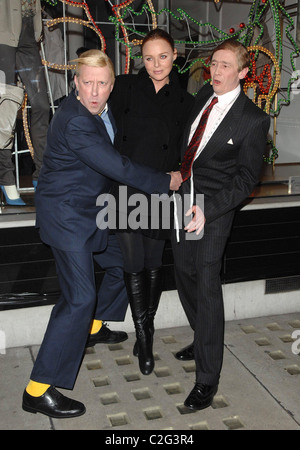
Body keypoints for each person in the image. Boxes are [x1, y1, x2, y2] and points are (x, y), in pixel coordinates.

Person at [22, 49, 182, 419]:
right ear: (75, 83)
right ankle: (37, 388)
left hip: (89, 212)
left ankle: (94, 327)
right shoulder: (76, 119)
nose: (94, 91)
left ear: (112, 86)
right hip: (69, 219)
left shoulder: (101, 111)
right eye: (88, 82)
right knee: (79, 298)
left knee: (120, 264)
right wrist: (164, 181)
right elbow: (115, 165)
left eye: (102, 83)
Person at [171, 40, 270, 410]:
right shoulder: (201, 97)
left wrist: (208, 210)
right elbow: (190, 151)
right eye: (214, 63)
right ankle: (203, 337)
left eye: (225, 66)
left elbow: (246, 180)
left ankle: (207, 378)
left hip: (213, 211)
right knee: (183, 273)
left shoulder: (253, 119)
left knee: (207, 284)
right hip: (183, 203)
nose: (215, 71)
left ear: (243, 73)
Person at [109, 29, 194, 376]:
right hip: (125, 187)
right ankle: (144, 338)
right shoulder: (125, 87)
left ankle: (147, 325)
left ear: (175, 56)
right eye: (148, 58)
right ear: (139, 59)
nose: (156, 64)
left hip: (161, 188)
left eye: (163, 56)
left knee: (155, 263)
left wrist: (180, 173)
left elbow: (189, 148)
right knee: (132, 263)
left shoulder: (186, 101)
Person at [0, 0, 49, 204]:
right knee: (6, 108)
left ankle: (41, 175)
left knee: (42, 105)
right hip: (3, 34)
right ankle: (6, 178)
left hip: (29, 35)